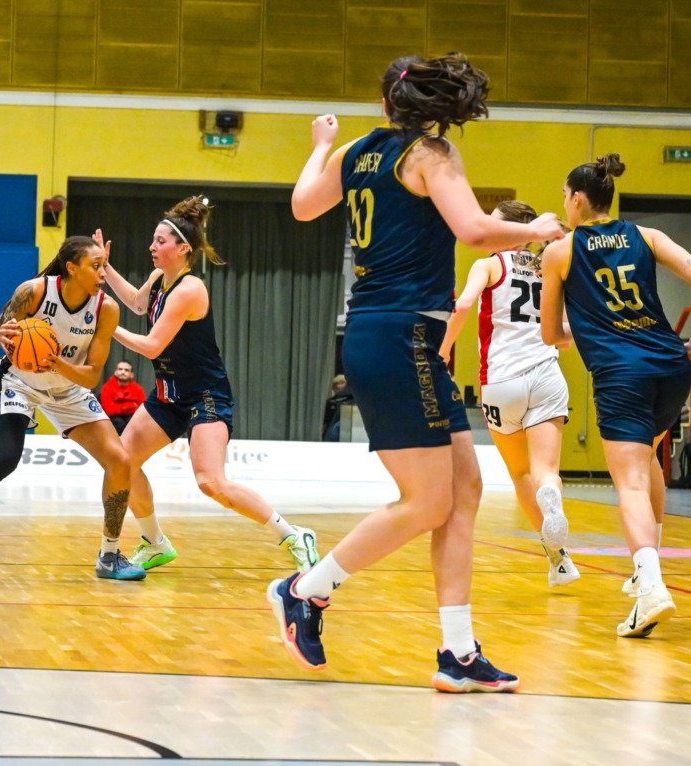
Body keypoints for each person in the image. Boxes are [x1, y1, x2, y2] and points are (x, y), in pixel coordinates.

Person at [270, 53, 564, 692]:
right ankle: (307, 590)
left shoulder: (355, 152)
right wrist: (535, 228)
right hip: (402, 332)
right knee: (429, 501)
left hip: (391, 334)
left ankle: (458, 653)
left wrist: (319, 147)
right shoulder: (432, 154)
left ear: (384, 104)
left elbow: (301, 205)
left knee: (463, 491)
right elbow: (475, 231)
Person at [100, 197, 319, 573]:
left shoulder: (190, 289)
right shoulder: (158, 279)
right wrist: (105, 268)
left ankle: (294, 536)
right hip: (168, 395)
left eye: (160, 241)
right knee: (123, 462)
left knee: (210, 482)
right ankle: (154, 543)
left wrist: (105, 326)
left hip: (205, 395)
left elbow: (152, 346)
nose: (152, 246)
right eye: (153, 240)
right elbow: (136, 303)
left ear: (183, 248)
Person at [0, 236, 146, 581]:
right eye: (96, 265)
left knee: (120, 459)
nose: (104, 273)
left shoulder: (106, 308)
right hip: (20, 383)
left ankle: (110, 556)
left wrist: (54, 361)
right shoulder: (34, 292)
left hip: (68, 388)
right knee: (5, 457)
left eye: (104, 265)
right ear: (72, 268)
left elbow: (91, 375)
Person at [541, 153, 691, 638]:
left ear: (578, 199)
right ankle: (646, 572)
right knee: (646, 461)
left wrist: (586, 329)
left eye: (565, 196)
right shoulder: (647, 236)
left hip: (621, 372)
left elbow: (550, 333)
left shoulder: (560, 251)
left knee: (629, 483)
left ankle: (652, 590)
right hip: (672, 366)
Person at [438, 200, 577, 588]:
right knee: (546, 472)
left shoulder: (489, 265)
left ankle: (559, 559)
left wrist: (444, 349)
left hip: (501, 381)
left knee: (520, 474)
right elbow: (565, 336)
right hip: (547, 375)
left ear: (510, 230)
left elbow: (463, 305)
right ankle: (551, 496)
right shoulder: (549, 266)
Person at [100, 359, 146, 435]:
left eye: (126, 370)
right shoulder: (107, 387)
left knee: (133, 422)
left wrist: (119, 407)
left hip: (131, 418)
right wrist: (131, 406)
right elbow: (109, 410)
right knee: (119, 423)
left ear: (131, 374)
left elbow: (142, 409)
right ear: (115, 372)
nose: (122, 372)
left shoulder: (138, 388)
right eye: (120, 369)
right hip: (113, 419)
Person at [322, 374, 352, 441]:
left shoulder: (352, 401)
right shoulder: (330, 402)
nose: (339, 385)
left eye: (342, 383)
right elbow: (325, 420)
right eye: (337, 383)